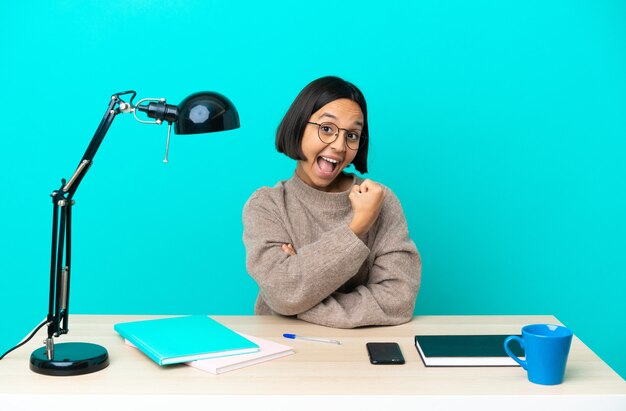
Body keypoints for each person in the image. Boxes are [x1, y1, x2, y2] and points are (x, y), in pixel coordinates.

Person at [242, 76, 421, 328]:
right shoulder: (267, 205)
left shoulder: (380, 200)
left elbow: (397, 300)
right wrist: (356, 228)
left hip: (358, 351)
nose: (339, 145)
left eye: (352, 135)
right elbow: (283, 292)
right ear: (299, 126)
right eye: (326, 129)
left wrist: (296, 300)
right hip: (281, 350)